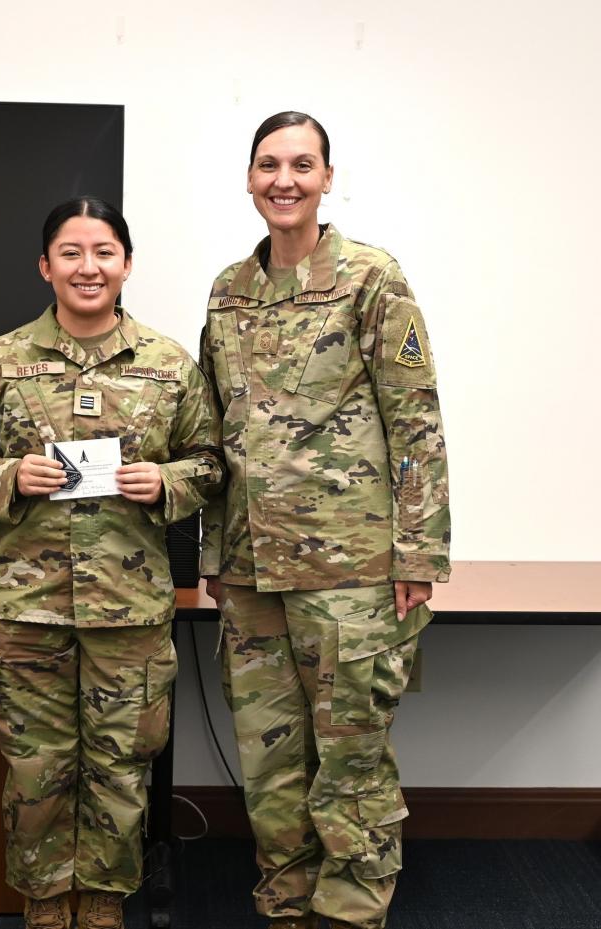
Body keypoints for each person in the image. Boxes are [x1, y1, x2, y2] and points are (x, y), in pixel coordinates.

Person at [0, 197, 224, 929]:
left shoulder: (168, 366)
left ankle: (103, 907)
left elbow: (213, 462)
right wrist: (7, 477)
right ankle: (45, 906)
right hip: (26, 615)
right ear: (45, 266)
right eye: (71, 252)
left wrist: (167, 482)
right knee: (37, 772)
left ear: (126, 264)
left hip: (129, 614)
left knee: (121, 769)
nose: (88, 267)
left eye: (103, 252)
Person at [200, 112, 451, 929]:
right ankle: (285, 906)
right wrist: (213, 553)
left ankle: (349, 915)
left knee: (350, 762)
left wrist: (419, 554)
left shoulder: (372, 278)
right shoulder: (228, 291)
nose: (284, 180)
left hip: (352, 572)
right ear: (249, 178)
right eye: (269, 164)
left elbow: (416, 422)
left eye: (302, 165)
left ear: (327, 179)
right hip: (250, 573)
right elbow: (216, 433)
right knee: (270, 764)